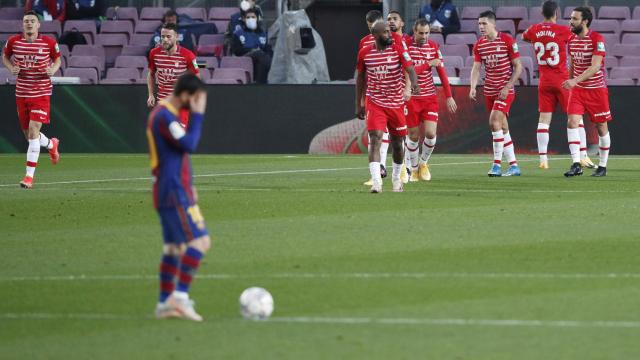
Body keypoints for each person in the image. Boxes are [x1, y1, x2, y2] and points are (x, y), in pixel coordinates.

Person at [147, 73, 211, 322]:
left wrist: (190, 184)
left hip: (174, 187)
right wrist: (198, 115)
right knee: (200, 242)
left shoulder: (167, 116)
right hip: (173, 189)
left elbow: (179, 154)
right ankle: (180, 298)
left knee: (174, 247)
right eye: (195, 99)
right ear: (185, 95)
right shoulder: (163, 116)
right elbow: (190, 145)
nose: (195, 104)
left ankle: (165, 303)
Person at [522, 0, 594, 169]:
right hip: (562, 81)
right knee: (576, 119)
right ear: (556, 13)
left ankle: (543, 160)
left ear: (542, 13)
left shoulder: (534, 29)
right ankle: (583, 156)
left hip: (544, 81)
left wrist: (539, 39)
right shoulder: (563, 30)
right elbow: (577, 38)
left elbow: (524, 37)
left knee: (544, 120)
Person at [355, 21, 419, 193]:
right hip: (375, 102)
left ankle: (397, 178)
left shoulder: (398, 49)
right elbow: (360, 78)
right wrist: (359, 103)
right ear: (375, 35)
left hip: (396, 104)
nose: (389, 35)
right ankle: (377, 182)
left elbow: (410, 68)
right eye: (385, 33)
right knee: (375, 138)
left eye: (390, 32)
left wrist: (414, 83)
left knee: (398, 144)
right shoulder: (365, 53)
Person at [2, 11, 61, 189]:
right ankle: (51, 144)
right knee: (29, 136)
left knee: (34, 132)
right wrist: (11, 67)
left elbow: (57, 59)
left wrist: (53, 70)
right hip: (21, 92)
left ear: (38, 25)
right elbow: (5, 56)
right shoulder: (13, 42)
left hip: (41, 92)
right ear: (22, 25)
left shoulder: (49, 42)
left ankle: (28, 177)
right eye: (26, 21)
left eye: (32, 21)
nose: (29, 24)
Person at [469, 11, 523, 177]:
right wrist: (472, 87)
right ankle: (514, 166)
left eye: (484, 23)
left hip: (504, 92)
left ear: (493, 24)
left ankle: (497, 165)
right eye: (479, 24)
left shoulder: (507, 40)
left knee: (493, 122)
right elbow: (476, 68)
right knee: (502, 127)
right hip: (489, 91)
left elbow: (518, 67)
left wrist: (508, 86)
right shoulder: (479, 45)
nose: (481, 27)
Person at [405, 18, 457, 182]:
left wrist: (449, 96)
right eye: (421, 33)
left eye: (427, 33)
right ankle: (413, 170)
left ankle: (423, 164)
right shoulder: (406, 45)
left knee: (430, 133)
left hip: (429, 97)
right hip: (411, 98)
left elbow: (442, 73)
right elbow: (409, 71)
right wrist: (428, 64)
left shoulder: (434, 47)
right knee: (413, 136)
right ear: (414, 31)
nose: (424, 36)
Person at [562, 7, 611, 177]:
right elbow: (573, 63)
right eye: (571, 18)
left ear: (584, 21)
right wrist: (571, 82)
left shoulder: (597, 38)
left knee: (601, 127)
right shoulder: (571, 40)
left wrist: (574, 80)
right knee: (572, 122)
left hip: (596, 90)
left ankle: (602, 166)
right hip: (578, 91)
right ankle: (576, 164)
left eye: (574, 19)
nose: (571, 21)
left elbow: (596, 66)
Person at [147, 23, 200, 127]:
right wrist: (151, 95)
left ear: (176, 37)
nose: (165, 40)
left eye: (168, 36)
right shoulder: (154, 53)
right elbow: (151, 74)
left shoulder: (189, 55)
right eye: (163, 36)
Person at [231, 8, 272, 84]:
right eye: (248, 17)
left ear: (257, 19)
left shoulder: (263, 34)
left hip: (261, 60)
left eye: (253, 17)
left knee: (263, 59)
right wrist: (252, 50)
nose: (251, 19)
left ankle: (259, 84)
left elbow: (268, 50)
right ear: (244, 19)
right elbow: (236, 51)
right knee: (259, 54)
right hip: (244, 59)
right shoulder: (238, 33)